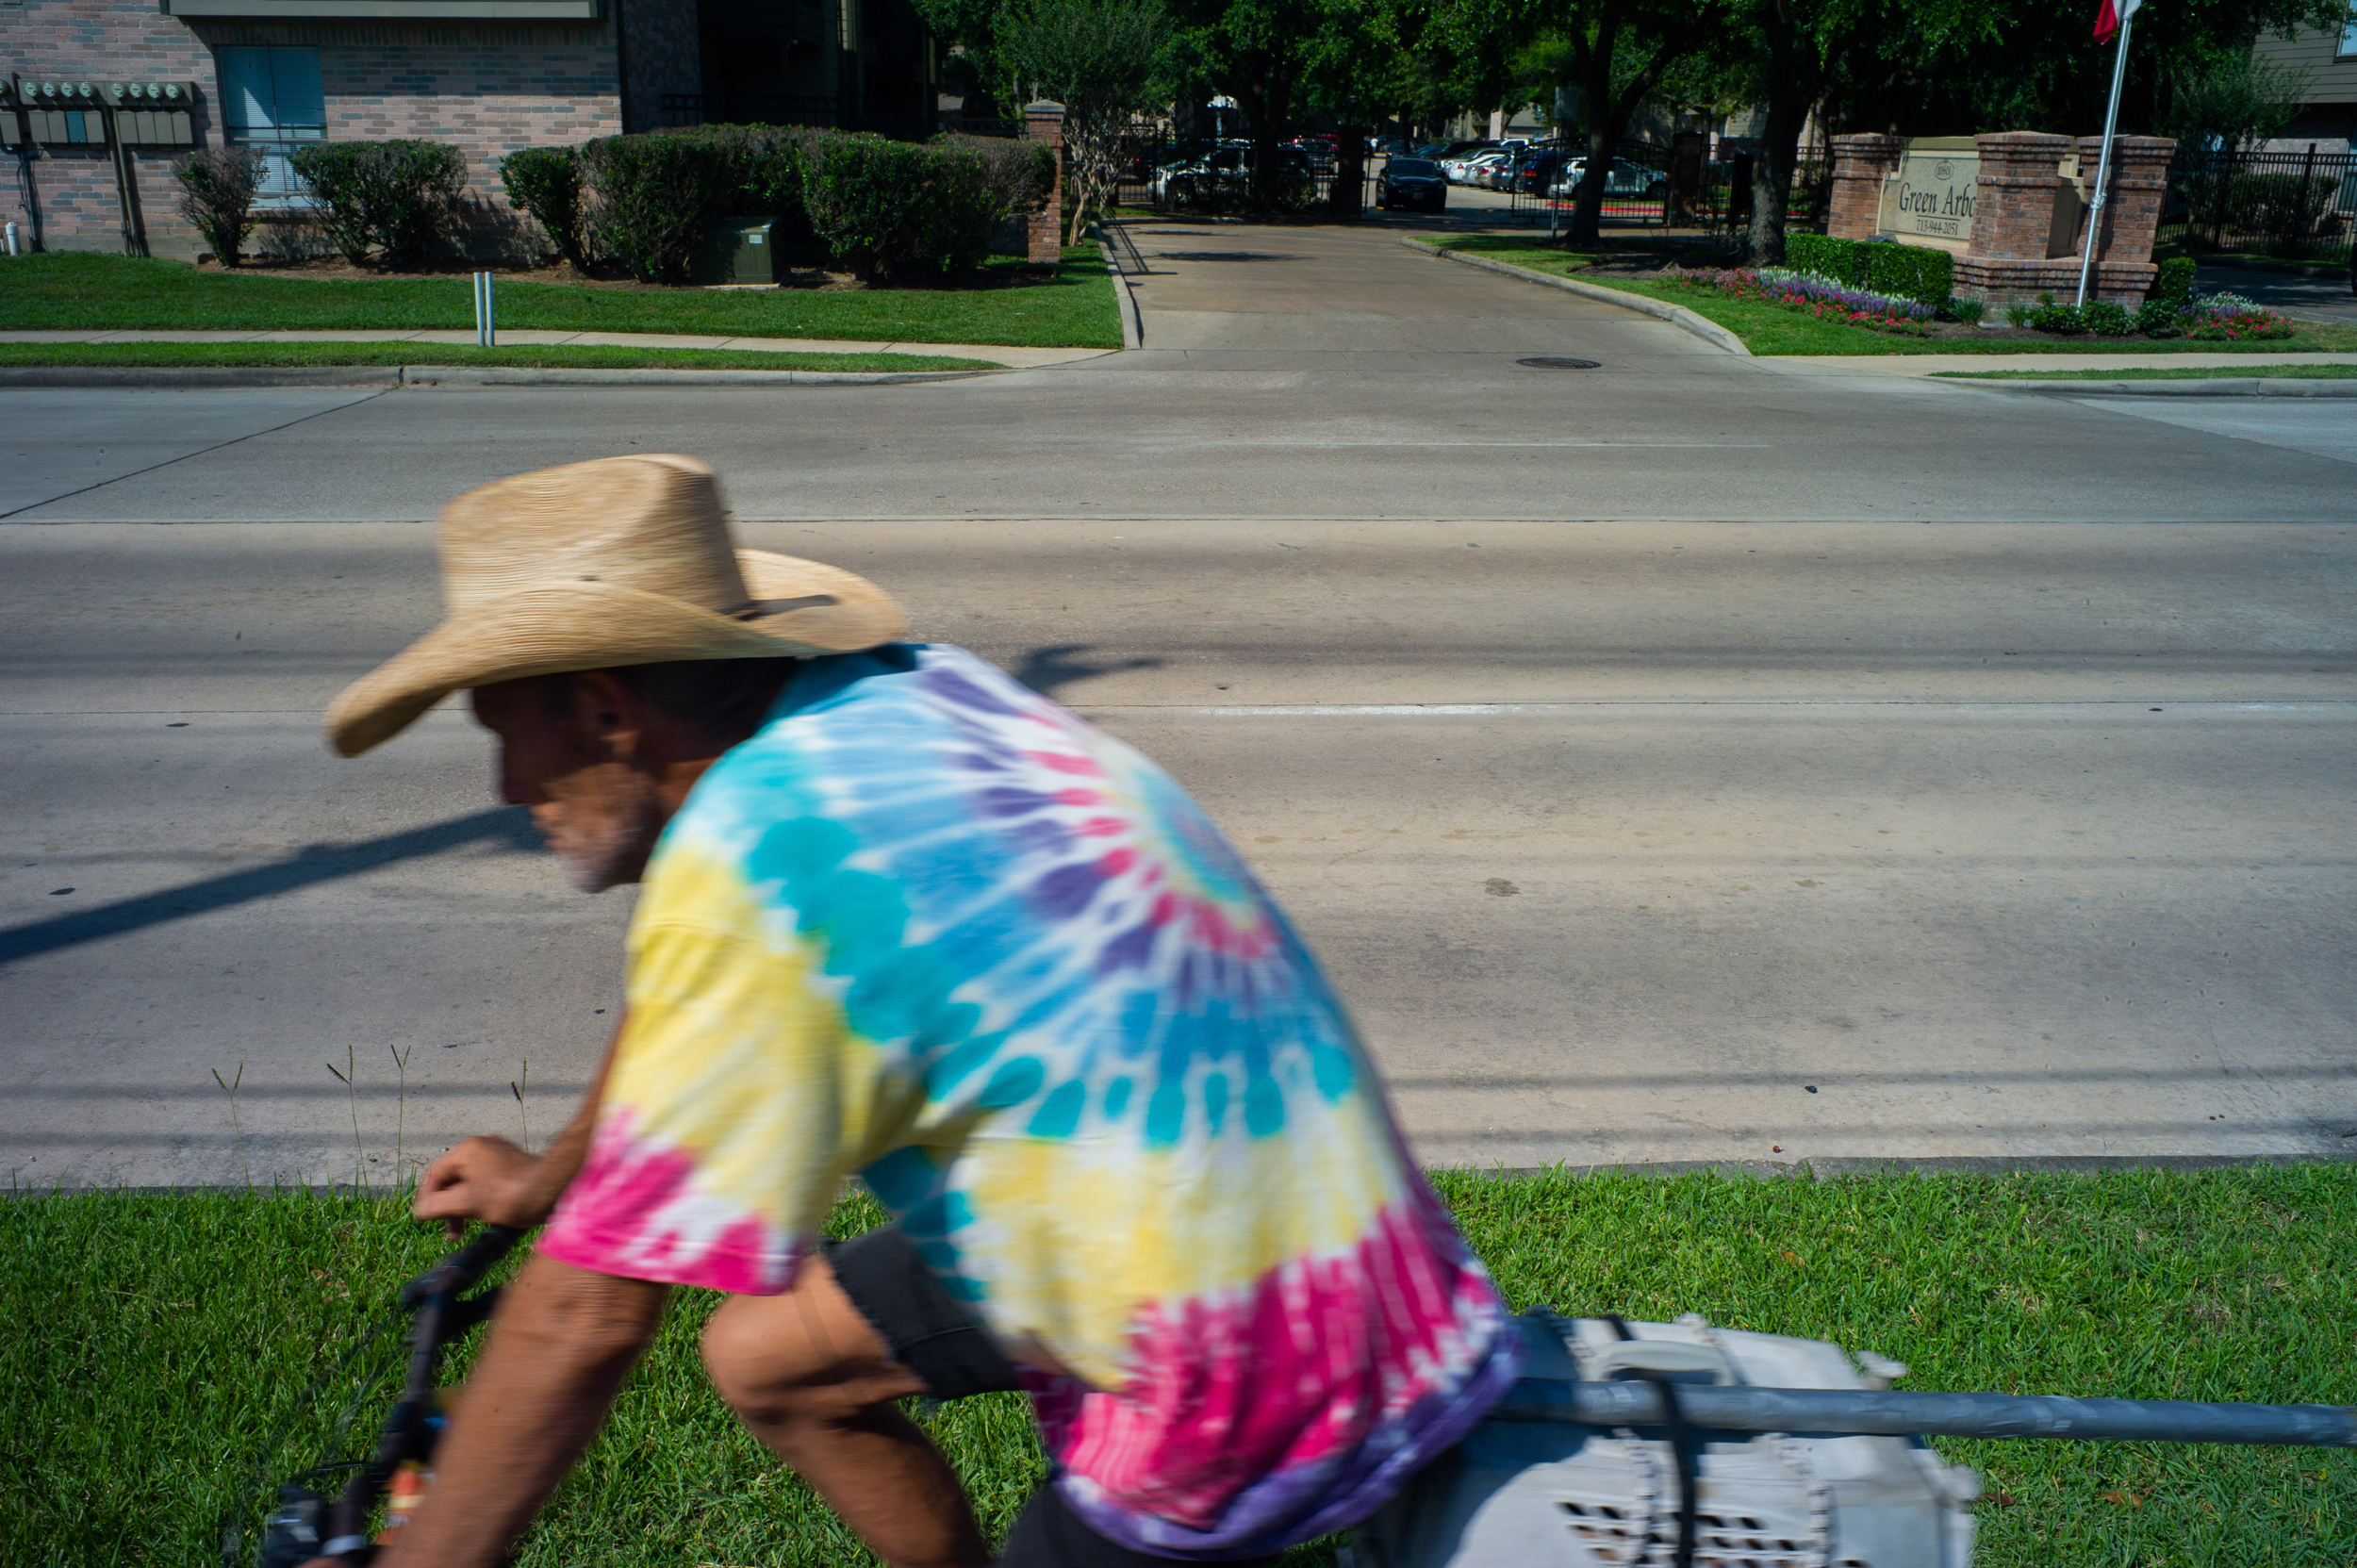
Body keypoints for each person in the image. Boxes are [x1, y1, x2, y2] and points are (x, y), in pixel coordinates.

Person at [314, 454, 1519, 1568]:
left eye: (506, 735)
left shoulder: (757, 856)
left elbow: (585, 1317)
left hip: (1254, 1363)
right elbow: (674, 1007)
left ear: (605, 709)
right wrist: (549, 1181)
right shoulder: (889, 691)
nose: (504, 788)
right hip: (1311, 1227)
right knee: (766, 1356)